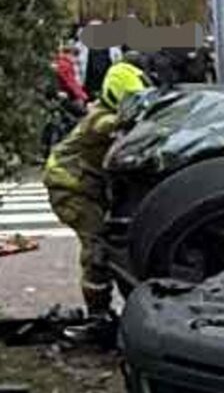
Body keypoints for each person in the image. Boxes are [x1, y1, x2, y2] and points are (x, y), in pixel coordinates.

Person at [42, 60, 151, 342]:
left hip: (89, 184)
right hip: (70, 186)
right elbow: (115, 128)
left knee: (111, 240)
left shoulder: (108, 114)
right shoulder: (101, 121)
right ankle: (97, 318)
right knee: (97, 249)